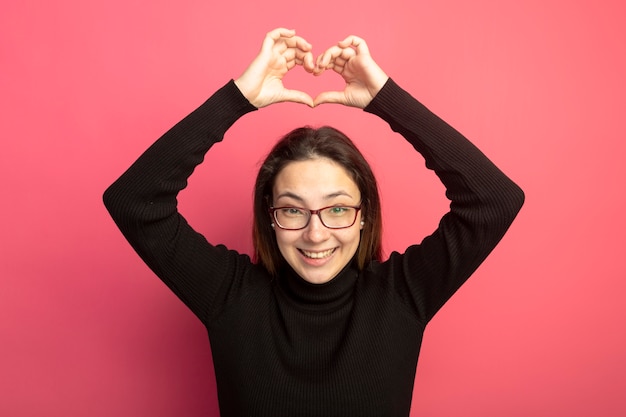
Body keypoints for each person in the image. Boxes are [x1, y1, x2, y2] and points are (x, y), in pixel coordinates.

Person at [103, 28, 524, 417]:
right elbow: (135, 202)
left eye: (338, 208)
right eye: (292, 209)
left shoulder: (402, 293)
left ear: (365, 217)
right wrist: (237, 98)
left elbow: (493, 201)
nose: (316, 233)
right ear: (269, 217)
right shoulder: (229, 295)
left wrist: (385, 98)